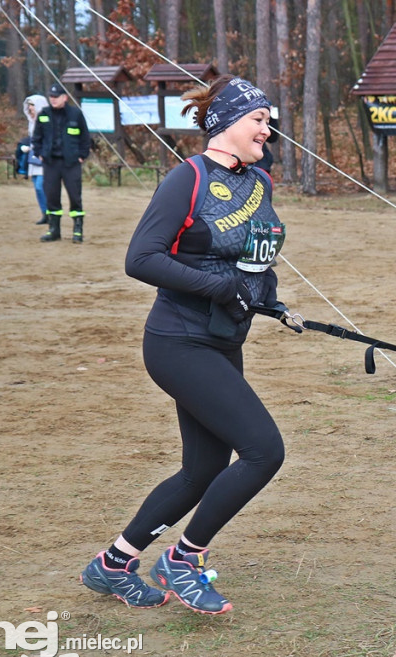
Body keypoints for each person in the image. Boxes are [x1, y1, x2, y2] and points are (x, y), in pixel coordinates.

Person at [79, 75, 287, 614]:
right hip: (178, 341)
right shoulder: (186, 178)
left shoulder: (259, 182)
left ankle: (114, 564)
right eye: (258, 119)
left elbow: (253, 258)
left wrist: (269, 298)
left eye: (268, 119)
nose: (268, 128)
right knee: (264, 450)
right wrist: (220, 287)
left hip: (223, 339)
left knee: (203, 469)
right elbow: (141, 259)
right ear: (226, 125)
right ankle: (183, 559)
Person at [32, 83, 91, 243]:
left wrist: (82, 156)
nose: (53, 100)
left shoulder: (75, 114)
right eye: (51, 97)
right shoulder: (43, 114)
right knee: (52, 196)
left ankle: (77, 230)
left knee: (75, 196)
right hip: (51, 163)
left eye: (56, 97)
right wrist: (39, 154)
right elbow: (36, 137)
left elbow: (85, 138)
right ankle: (54, 229)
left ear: (64, 97)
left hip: (71, 163)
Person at [22, 94, 49, 225]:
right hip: (34, 157)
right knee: (36, 186)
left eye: (33, 105)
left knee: (40, 186)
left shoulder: (47, 121)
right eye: (29, 105)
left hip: (44, 157)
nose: (30, 108)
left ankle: (50, 212)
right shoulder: (31, 122)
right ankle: (44, 213)